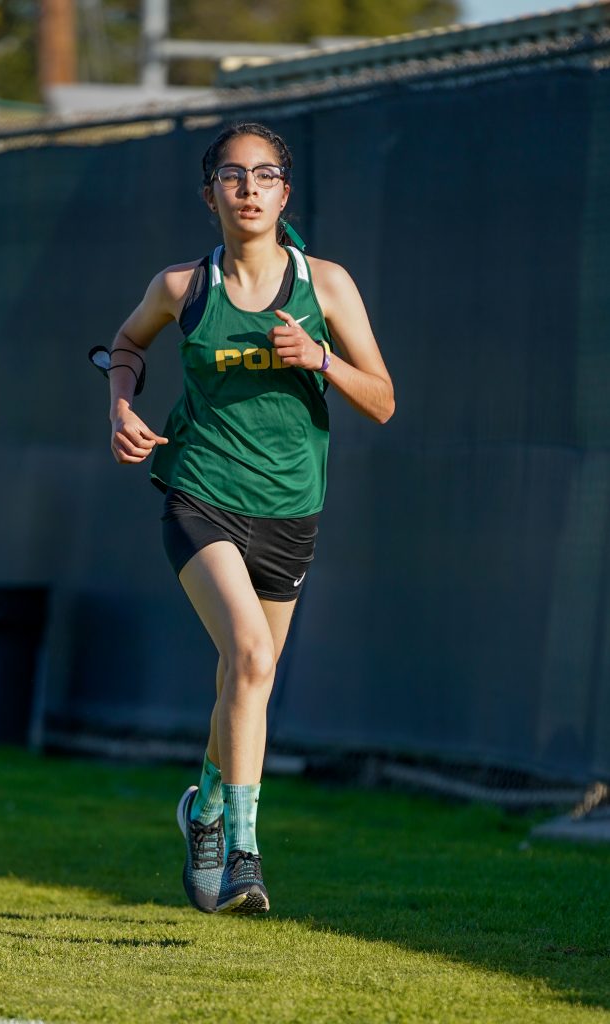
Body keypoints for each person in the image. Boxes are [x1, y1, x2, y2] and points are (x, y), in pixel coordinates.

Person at [105, 122, 395, 915]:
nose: (248, 188)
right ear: (210, 195)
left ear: (284, 194)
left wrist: (321, 360)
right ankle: (242, 853)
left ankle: (200, 809)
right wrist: (120, 406)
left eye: (264, 175)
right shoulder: (181, 287)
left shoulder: (325, 285)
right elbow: (126, 344)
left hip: (290, 510)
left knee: (245, 680)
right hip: (199, 494)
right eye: (232, 176)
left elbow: (382, 401)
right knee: (251, 657)